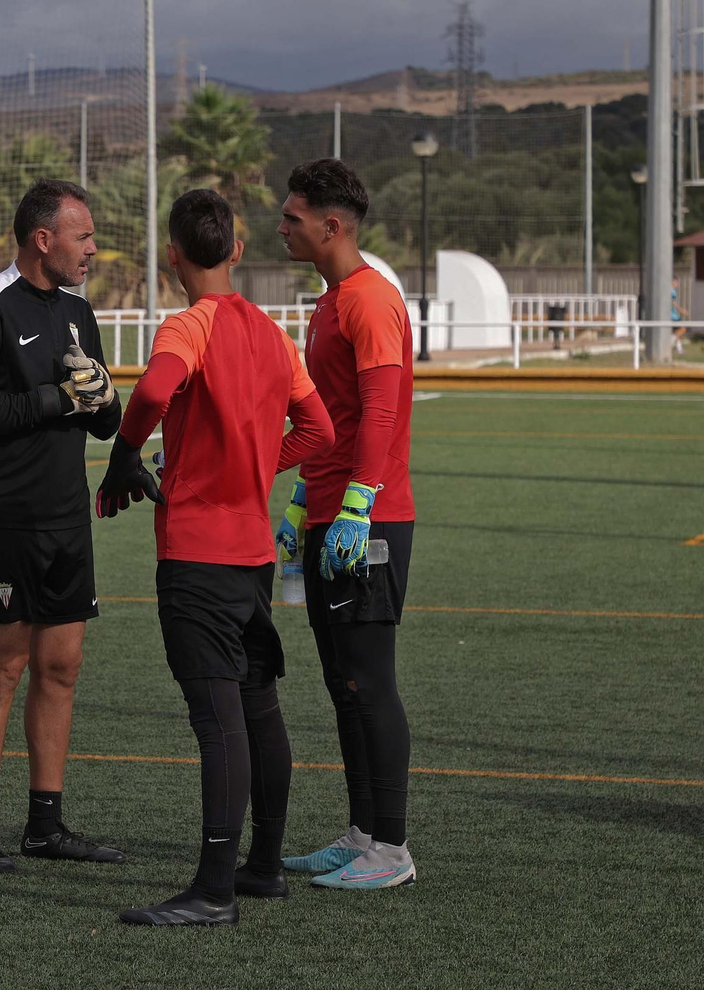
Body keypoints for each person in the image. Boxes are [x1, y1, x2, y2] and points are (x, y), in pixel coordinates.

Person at [102, 189, 333, 926]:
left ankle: (212, 890)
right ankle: (262, 866)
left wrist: (125, 453)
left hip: (197, 556)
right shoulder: (271, 332)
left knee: (218, 719)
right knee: (260, 708)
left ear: (173, 255)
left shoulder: (188, 324)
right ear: (236, 250)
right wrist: (261, 464)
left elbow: (154, 389)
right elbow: (320, 430)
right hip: (253, 556)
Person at [0, 178, 125, 872]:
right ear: (42, 239)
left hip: (65, 518)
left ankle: (45, 824)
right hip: (4, 519)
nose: (93, 248)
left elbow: (101, 418)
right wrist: (50, 398)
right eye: (83, 236)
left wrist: (107, 400)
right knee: (3, 666)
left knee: (62, 666)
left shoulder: (79, 311)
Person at [274, 158, 418, 890]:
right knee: (340, 681)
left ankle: (392, 850)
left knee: (370, 681)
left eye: (293, 216)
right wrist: (306, 497)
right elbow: (332, 421)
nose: (282, 226)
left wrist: (359, 500)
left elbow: (383, 409)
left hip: (371, 520)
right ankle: (361, 834)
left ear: (332, 226)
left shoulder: (369, 300)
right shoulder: (328, 303)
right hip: (330, 516)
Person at [671, 277, 689, 355]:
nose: (678, 284)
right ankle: (669, 343)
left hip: (672, 315)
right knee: (683, 329)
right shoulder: (672, 292)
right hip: (673, 316)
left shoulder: (670, 291)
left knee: (677, 332)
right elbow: (673, 303)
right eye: (676, 282)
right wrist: (682, 310)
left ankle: (679, 349)